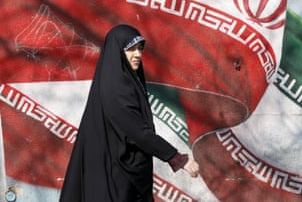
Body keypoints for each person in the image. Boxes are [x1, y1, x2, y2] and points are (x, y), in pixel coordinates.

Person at [59, 24, 199, 202]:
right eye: (130, 49)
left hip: (123, 175)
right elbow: (137, 132)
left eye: (139, 49)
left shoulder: (125, 81)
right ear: (118, 52)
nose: (138, 55)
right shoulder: (116, 88)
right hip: (114, 180)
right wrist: (176, 158)